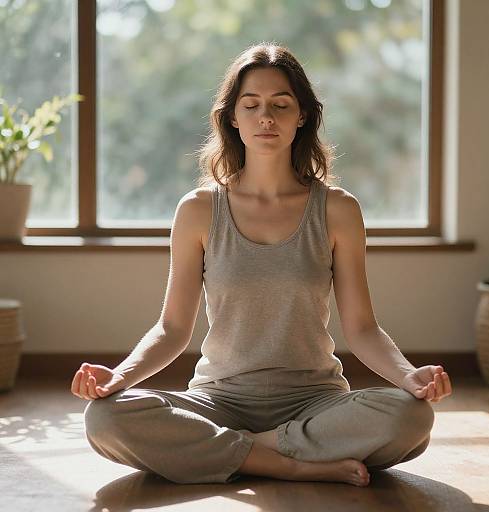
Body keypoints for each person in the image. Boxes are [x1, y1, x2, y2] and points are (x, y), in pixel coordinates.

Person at [71, 42, 452, 487]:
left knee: (410, 417)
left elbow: (362, 328)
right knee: (105, 419)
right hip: (219, 400)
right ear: (232, 117)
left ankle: (238, 449)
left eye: (280, 105)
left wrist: (409, 376)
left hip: (316, 401)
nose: (265, 118)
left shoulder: (338, 210)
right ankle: (285, 461)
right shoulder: (197, 210)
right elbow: (172, 329)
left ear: (303, 115)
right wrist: (119, 376)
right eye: (250, 105)